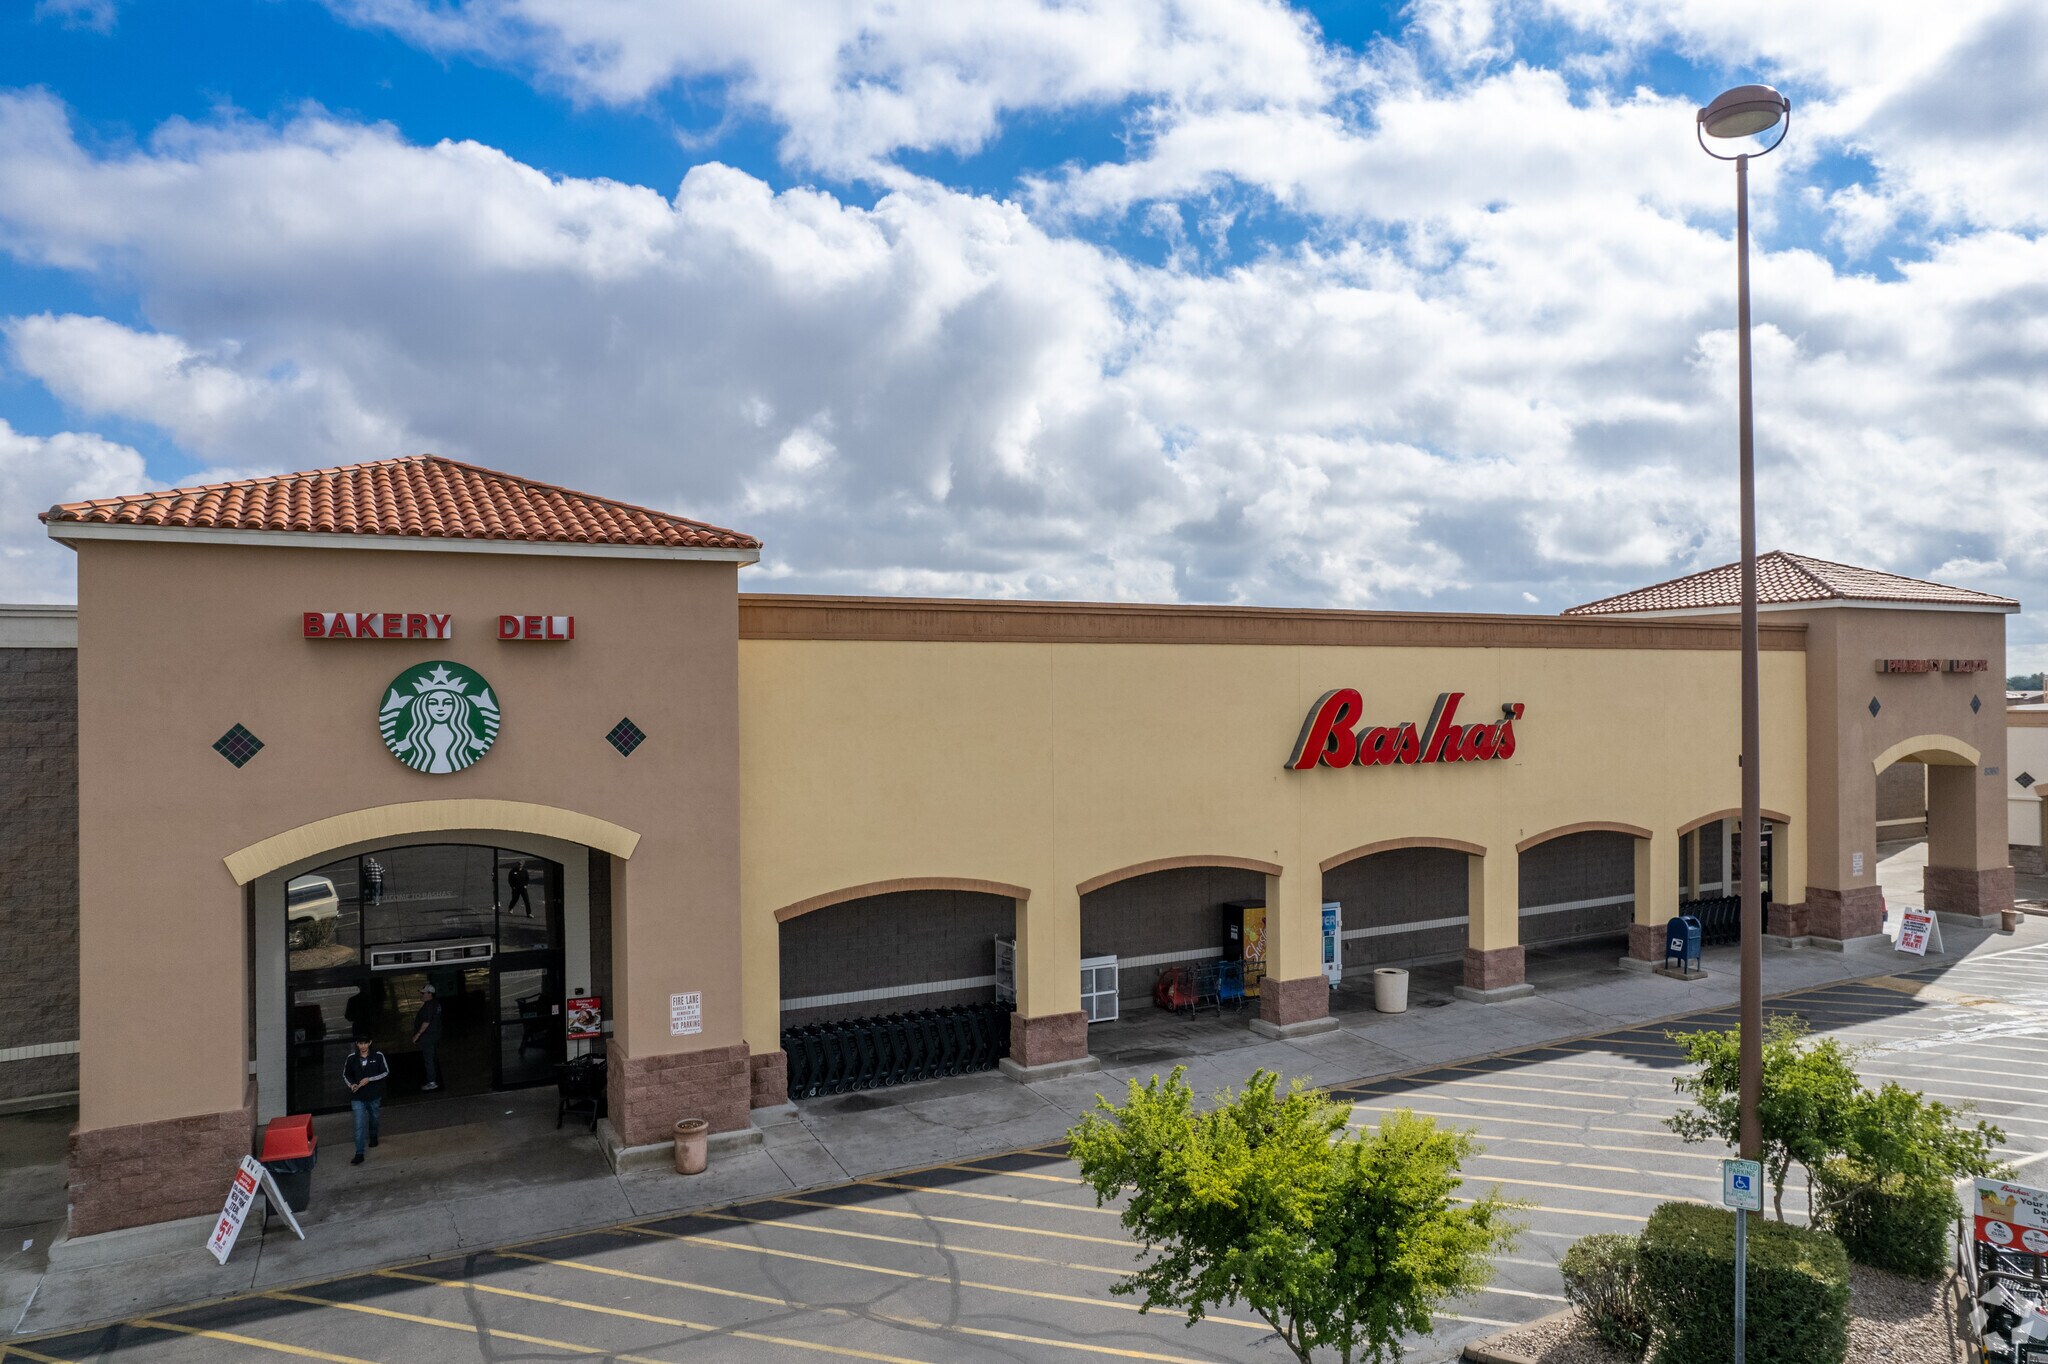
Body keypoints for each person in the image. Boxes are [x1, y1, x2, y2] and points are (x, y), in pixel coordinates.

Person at [342, 1035, 388, 1165]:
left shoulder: (378, 1055)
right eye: (360, 1043)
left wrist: (370, 1079)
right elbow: (346, 1074)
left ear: (370, 1043)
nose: (363, 1046)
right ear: (357, 1044)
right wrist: (352, 1084)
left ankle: (373, 1136)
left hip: (374, 1095)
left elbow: (385, 1072)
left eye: (365, 1043)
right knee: (359, 1125)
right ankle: (359, 1153)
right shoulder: (351, 1058)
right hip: (358, 1097)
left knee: (374, 1119)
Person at [412, 982, 443, 1091]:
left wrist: (418, 1035)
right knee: (431, 1057)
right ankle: (432, 1078)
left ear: (429, 994)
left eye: (423, 993)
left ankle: (432, 1082)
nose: (421, 995)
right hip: (433, 1035)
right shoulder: (436, 1004)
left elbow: (426, 1022)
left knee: (428, 1059)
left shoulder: (429, 1006)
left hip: (428, 1037)